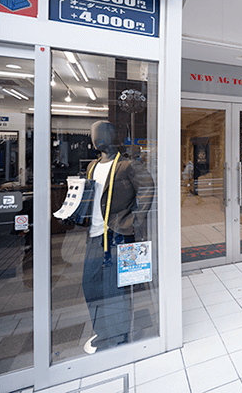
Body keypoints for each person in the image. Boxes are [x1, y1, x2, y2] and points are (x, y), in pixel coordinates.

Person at [81, 120, 154, 354]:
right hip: (95, 234)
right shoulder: (92, 166)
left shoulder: (127, 165)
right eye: (94, 134)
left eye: (100, 133)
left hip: (117, 234)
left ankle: (119, 335)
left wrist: (132, 221)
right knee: (90, 284)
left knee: (115, 288)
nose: (96, 138)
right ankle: (103, 331)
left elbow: (147, 189)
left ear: (111, 136)